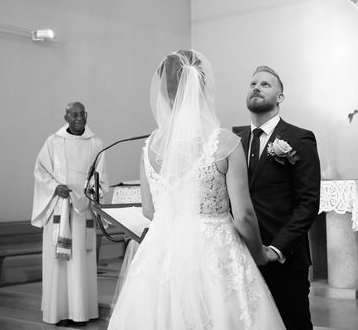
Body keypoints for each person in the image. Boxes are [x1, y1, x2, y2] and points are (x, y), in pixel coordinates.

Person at [108, 50, 285, 330]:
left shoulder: (150, 145)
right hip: (215, 253)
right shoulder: (225, 143)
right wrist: (259, 254)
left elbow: (149, 210)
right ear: (203, 87)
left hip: (161, 255)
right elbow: (244, 217)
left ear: (165, 94)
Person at [236, 66, 321, 330]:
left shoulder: (299, 138)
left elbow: (308, 203)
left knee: (292, 324)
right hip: (241, 254)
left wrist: (276, 249)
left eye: (265, 84)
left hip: (284, 259)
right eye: (252, 84)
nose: (256, 88)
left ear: (280, 97)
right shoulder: (233, 143)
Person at [31, 101, 107, 327]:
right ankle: (59, 313)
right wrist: (55, 187)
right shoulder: (53, 142)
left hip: (82, 211)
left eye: (82, 113)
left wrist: (86, 194)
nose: (79, 117)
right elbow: (40, 171)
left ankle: (81, 312)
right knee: (60, 263)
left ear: (87, 115)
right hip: (59, 210)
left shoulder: (96, 143)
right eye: (73, 114)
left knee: (80, 263)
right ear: (65, 117)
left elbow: (101, 178)